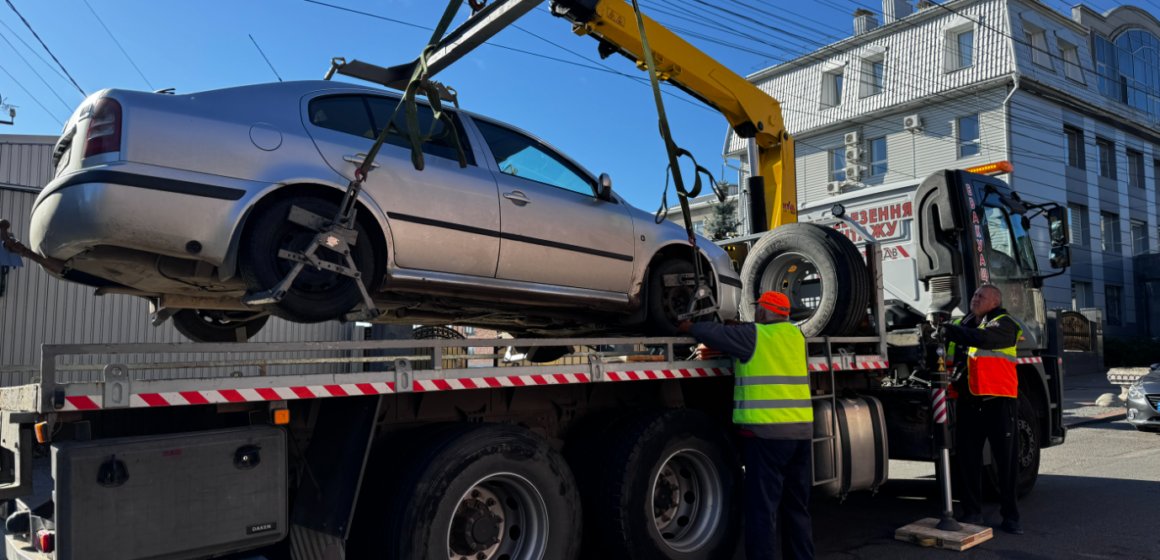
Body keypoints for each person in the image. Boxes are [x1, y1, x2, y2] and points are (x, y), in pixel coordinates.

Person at [678, 291, 813, 560]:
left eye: (758, 310)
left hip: (766, 436)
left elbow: (712, 333)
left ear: (763, 312)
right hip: (800, 435)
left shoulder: (753, 337)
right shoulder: (795, 336)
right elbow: (760, 335)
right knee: (797, 509)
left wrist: (688, 326)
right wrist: (742, 327)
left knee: (762, 511)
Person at [936, 284, 1023, 535]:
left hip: (998, 403)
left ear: (994, 302)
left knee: (1006, 464)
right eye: (974, 295)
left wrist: (947, 331)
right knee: (967, 463)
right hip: (968, 403)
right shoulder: (964, 325)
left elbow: (983, 340)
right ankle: (972, 513)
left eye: (981, 296)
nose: (975, 298)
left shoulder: (1005, 324)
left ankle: (1011, 517)